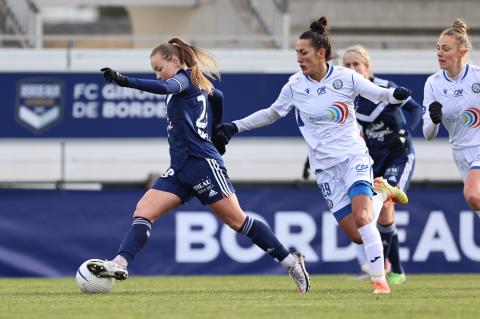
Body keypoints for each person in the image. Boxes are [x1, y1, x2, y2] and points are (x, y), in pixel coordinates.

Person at [86, 37, 311, 294]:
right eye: (154, 72)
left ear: (175, 61)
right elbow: (218, 96)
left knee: (237, 221)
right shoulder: (196, 84)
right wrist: (216, 129)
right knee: (144, 210)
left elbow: (166, 88)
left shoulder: (182, 80)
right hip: (180, 167)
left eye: (159, 68)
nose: (158, 76)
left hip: (202, 163)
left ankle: (291, 263)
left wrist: (124, 81)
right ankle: (119, 263)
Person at [214, 17, 411, 294]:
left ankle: (380, 280)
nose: (298, 58)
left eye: (303, 52)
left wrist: (394, 95)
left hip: (353, 157)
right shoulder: (295, 85)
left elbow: (378, 93)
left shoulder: (345, 77)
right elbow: (272, 113)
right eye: (296, 53)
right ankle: (380, 192)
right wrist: (234, 127)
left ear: (321, 53)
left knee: (364, 218)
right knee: (356, 236)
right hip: (325, 169)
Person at [343, 45, 423, 285]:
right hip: (371, 160)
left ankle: (391, 269)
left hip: (398, 155)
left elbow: (416, 108)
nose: (352, 69)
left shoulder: (385, 87)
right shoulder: (347, 94)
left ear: (368, 67)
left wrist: (405, 131)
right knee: (379, 213)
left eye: (356, 64)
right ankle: (391, 268)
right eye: (347, 65)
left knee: (386, 204)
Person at [423, 19, 480, 213]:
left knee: (472, 194)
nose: (439, 53)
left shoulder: (477, 77)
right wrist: (434, 119)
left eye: (446, 48)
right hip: (461, 154)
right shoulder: (433, 83)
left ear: (461, 52)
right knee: (475, 203)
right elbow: (428, 135)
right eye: (438, 48)